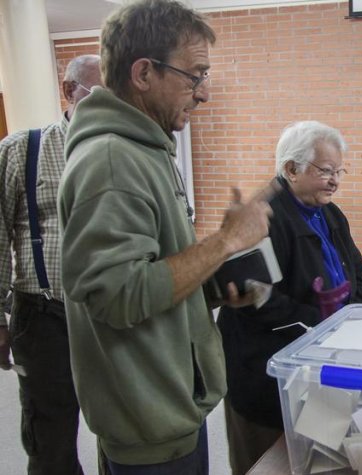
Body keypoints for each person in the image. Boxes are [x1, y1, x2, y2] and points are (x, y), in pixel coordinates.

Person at [57, 1, 273, 473]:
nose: (204, 94)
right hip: (147, 426)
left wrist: (214, 288)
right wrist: (225, 242)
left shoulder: (145, 149)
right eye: (195, 75)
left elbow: (155, 269)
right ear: (142, 73)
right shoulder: (112, 161)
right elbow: (120, 296)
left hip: (169, 408)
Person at [217, 120, 362, 475]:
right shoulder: (263, 216)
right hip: (264, 372)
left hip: (318, 361)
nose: (335, 180)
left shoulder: (331, 213)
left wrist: (353, 320)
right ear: (291, 169)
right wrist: (325, 326)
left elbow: (358, 272)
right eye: (326, 171)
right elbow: (254, 297)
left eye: (339, 171)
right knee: (265, 463)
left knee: (311, 458)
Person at [0, 54, 101, 475]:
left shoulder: (125, 152)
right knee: (51, 440)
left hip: (110, 315)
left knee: (124, 431)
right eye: (96, 95)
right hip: (43, 318)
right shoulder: (22, 150)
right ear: (68, 91)